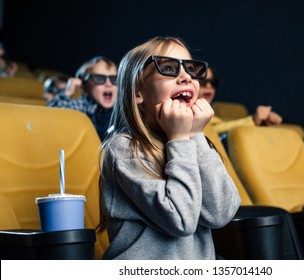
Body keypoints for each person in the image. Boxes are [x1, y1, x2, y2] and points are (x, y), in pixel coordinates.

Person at [99, 36, 241, 260]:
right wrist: (180, 139)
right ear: (138, 92)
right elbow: (181, 220)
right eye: (168, 68)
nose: (186, 77)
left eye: (191, 69)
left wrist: (196, 135)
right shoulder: (124, 148)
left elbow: (221, 213)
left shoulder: (193, 141)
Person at [47, 56, 117, 141]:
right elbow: (51, 116)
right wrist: (67, 92)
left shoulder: (122, 108)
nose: (109, 84)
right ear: (84, 87)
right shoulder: (82, 105)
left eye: (114, 79)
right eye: (99, 79)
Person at [198, 67, 283, 135]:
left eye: (213, 82)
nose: (209, 86)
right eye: (202, 82)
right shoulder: (190, 114)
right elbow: (212, 131)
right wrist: (254, 120)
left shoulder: (213, 117)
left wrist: (264, 123)